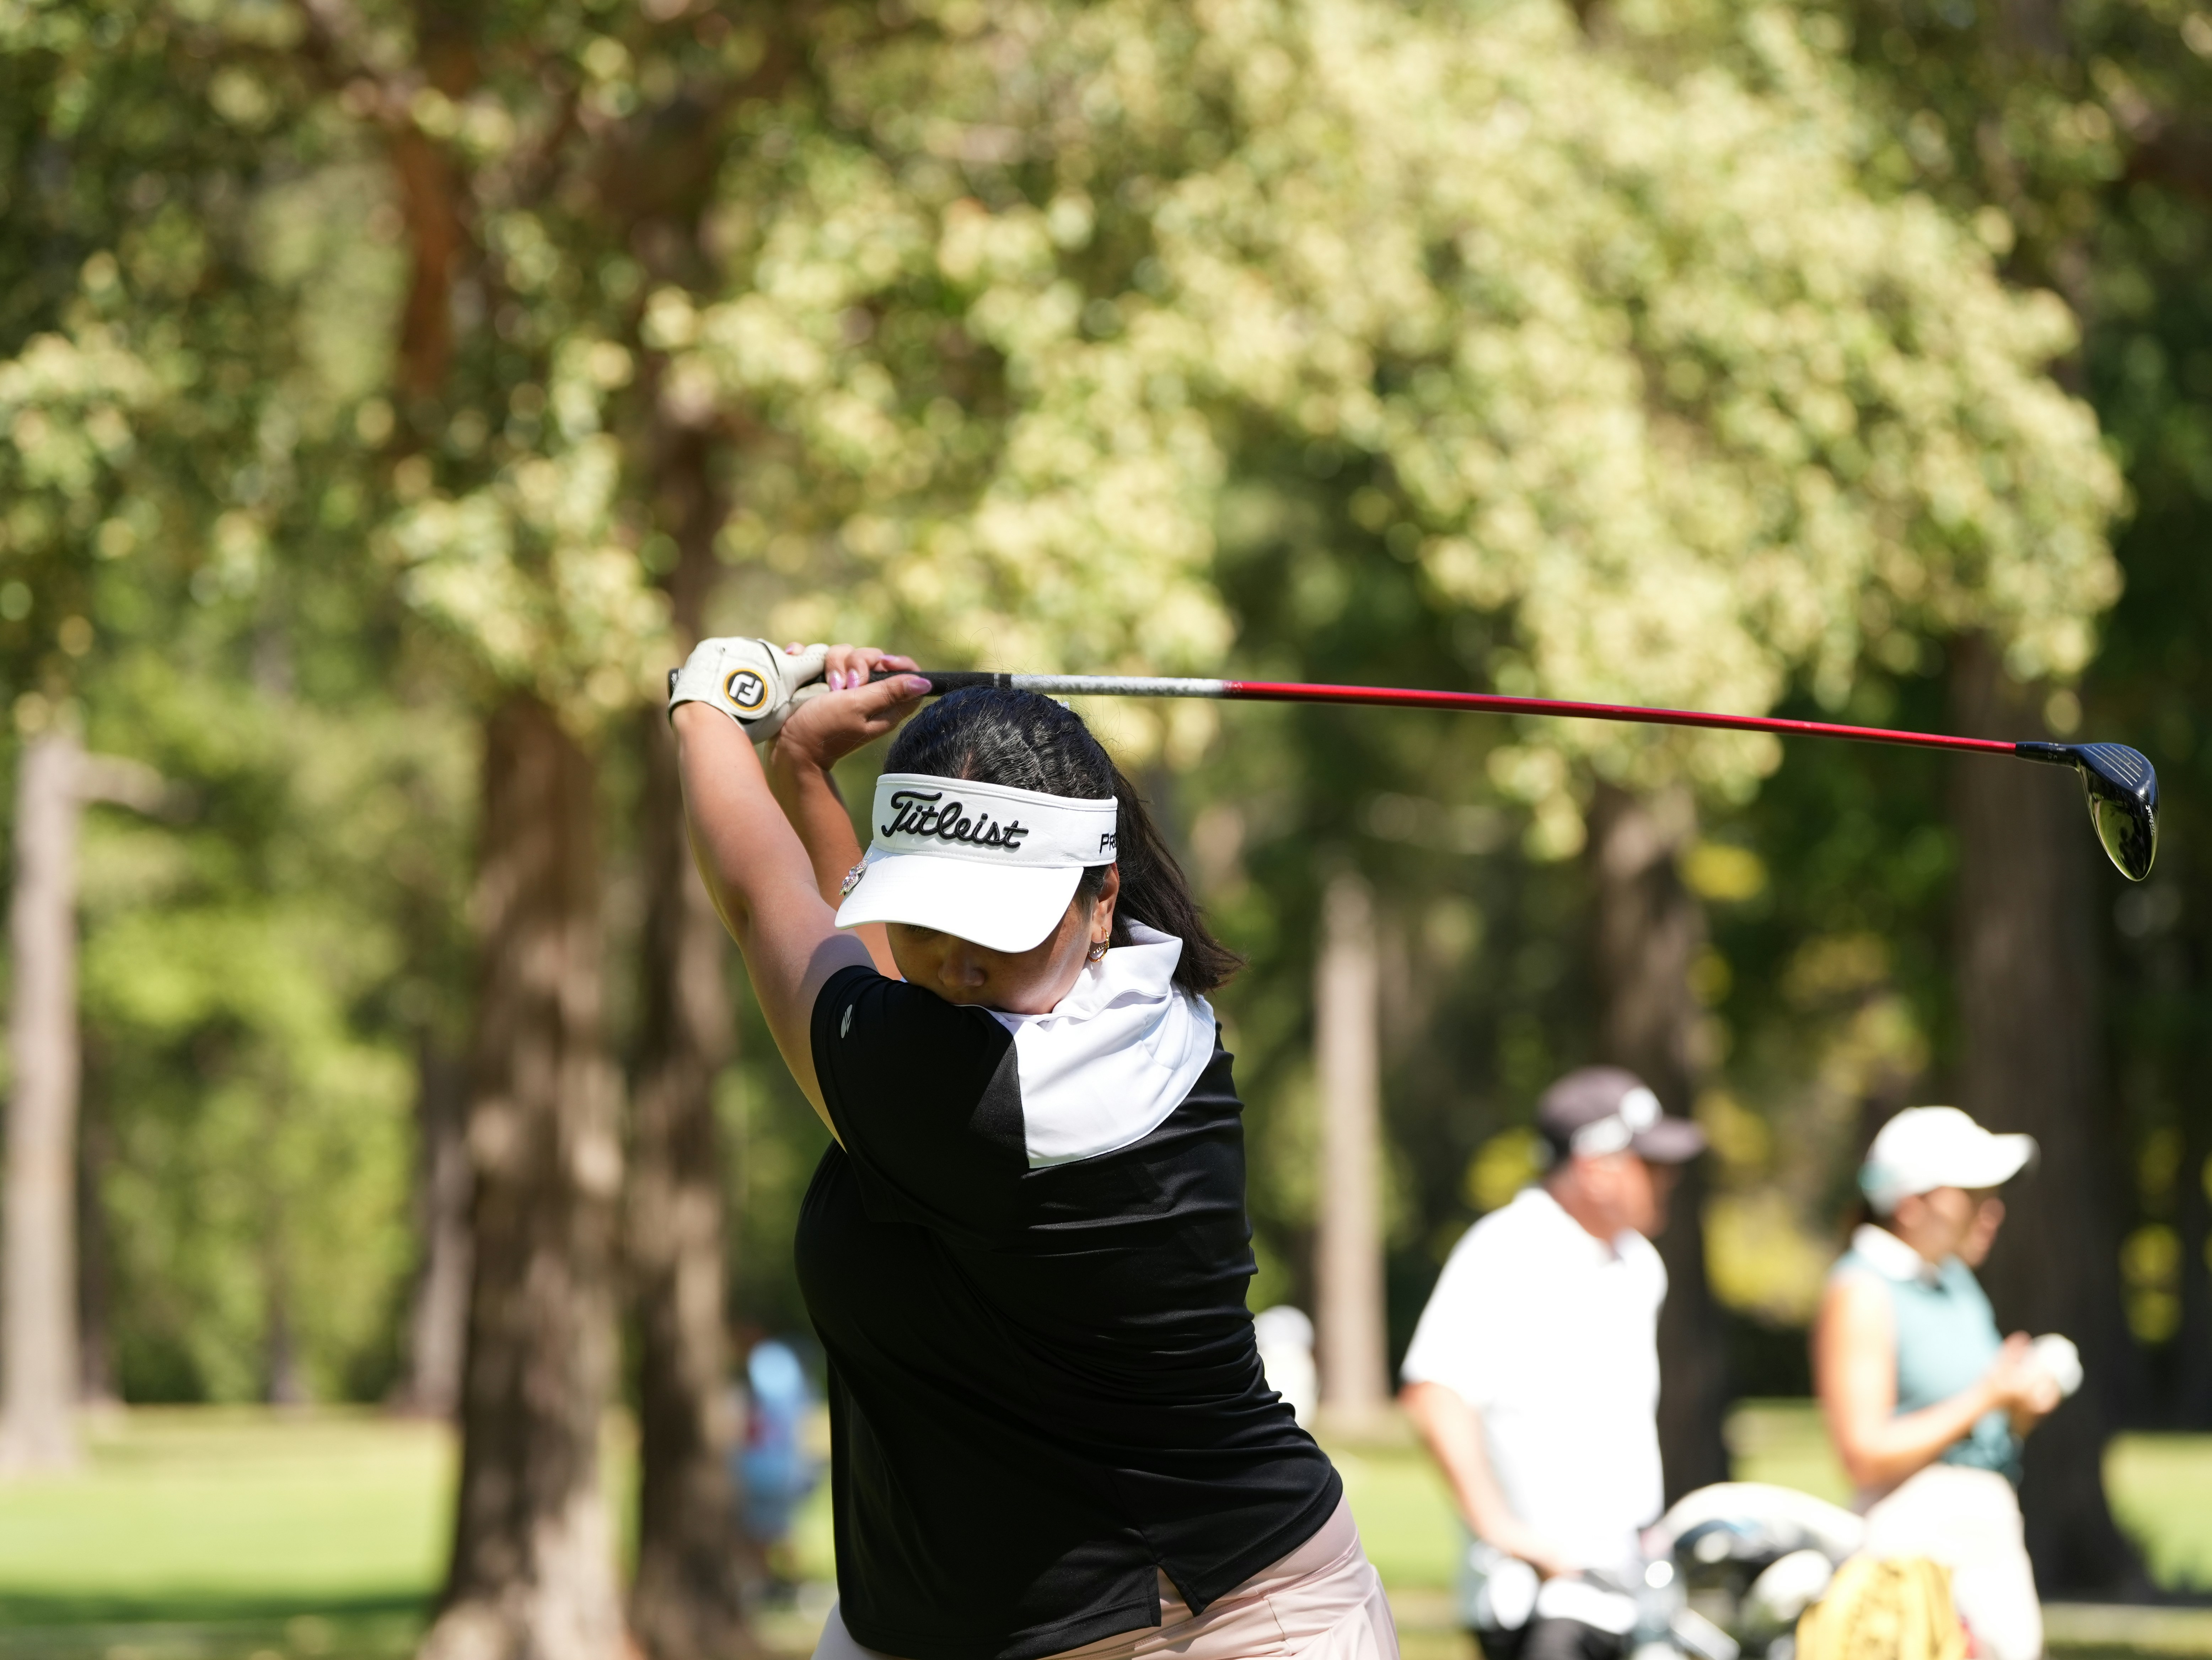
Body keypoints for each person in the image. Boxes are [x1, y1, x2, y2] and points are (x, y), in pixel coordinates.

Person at [669, 637, 1399, 1660]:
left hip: (1212, 1623)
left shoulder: (1015, 1100)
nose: (959, 967)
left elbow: (765, 904)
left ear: (1100, 898)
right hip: (939, 1627)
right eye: (929, 916)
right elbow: (886, 971)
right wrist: (801, 768)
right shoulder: (1111, 997)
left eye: (997, 930)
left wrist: (709, 700)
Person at [1398, 1067, 1707, 1660]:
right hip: (1542, 1600)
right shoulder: (1509, 1248)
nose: (1669, 1179)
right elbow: (1435, 1394)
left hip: (1627, 1588)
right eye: (1651, 1164)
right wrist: (1505, 1532)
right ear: (1595, 1167)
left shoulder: (1639, 1263)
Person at [1812, 1106, 2063, 1660]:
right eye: (1971, 1193)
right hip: (1916, 1550)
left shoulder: (1955, 1283)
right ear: (1910, 1204)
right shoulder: (1863, 1289)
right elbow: (1865, 1451)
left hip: (1988, 1537)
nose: (1990, 1210)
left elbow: (1980, 1433)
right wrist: (1987, 1397)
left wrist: (2016, 1404)